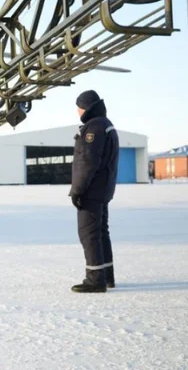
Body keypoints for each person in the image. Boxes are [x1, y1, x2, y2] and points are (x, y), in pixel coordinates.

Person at [69, 90, 119, 293]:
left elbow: (87, 162)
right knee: (100, 232)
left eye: (79, 107)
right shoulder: (106, 125)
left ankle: (95, 280)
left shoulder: (94, 127)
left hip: (92, 190)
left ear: (86, 107)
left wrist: (77, 190)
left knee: (89, 234)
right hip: (103, 189)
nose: (77, 111)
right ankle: (106, 276)